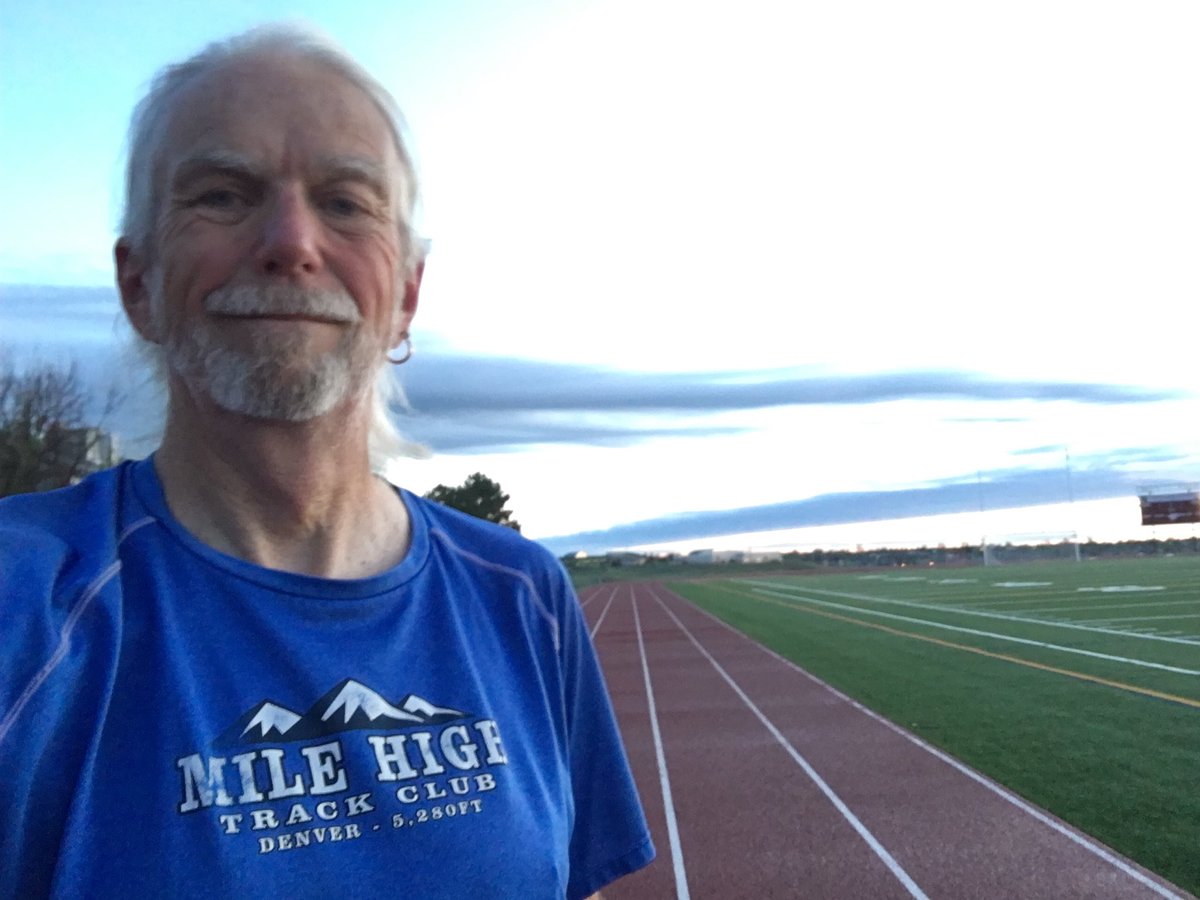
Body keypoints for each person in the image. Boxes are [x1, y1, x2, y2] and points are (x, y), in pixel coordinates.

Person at [0, 25, 653, 900]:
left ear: (408, 294)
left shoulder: (522, 595)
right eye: (223, 195)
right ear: (138, 284)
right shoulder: (25, 610)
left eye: (347, 201)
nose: (292, 241)